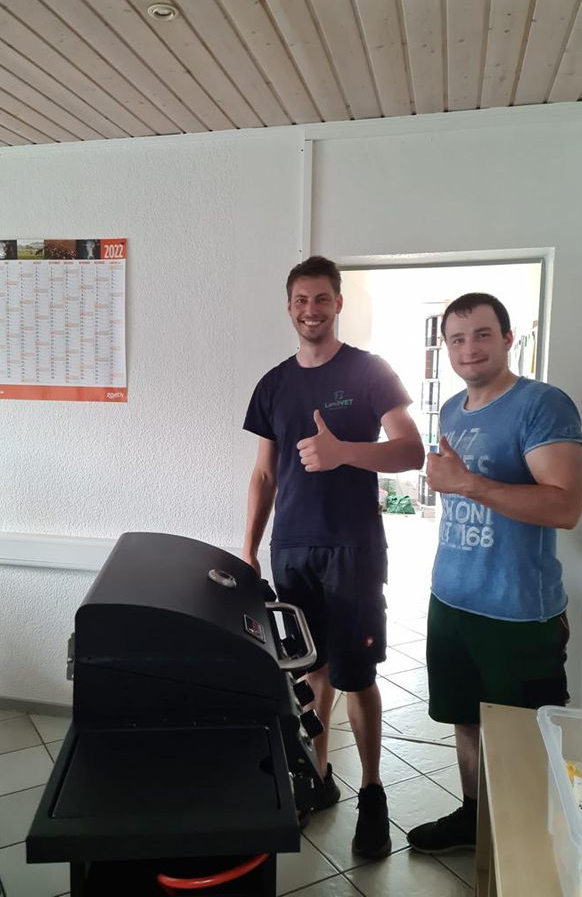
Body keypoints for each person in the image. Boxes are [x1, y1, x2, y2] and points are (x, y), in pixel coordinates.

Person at [242, 255, 424, 858]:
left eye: (322, 298)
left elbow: (411, 451)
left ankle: (372, 792)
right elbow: (264, 475)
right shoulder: (273, 384)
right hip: (292, 549)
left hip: (353, 548)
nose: (311, 310)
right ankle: (318, 778)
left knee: (356, 676)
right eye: (301, 300)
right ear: (288, 307)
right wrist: (248, 550)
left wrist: (344, 451)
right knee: (309, 671)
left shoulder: (370, 372)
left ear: (338, 303)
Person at [407, 292, 582, 854]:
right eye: (457, 339)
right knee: (464, 719)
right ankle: (473, 817)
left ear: (507, 339)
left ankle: (528, 846)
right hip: (450, 599)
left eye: (482, 334)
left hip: (518, 613)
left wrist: (469, 484)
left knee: (525, 735)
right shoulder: (452, 410)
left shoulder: (542, 405)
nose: (469, 349)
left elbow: (564, 506)